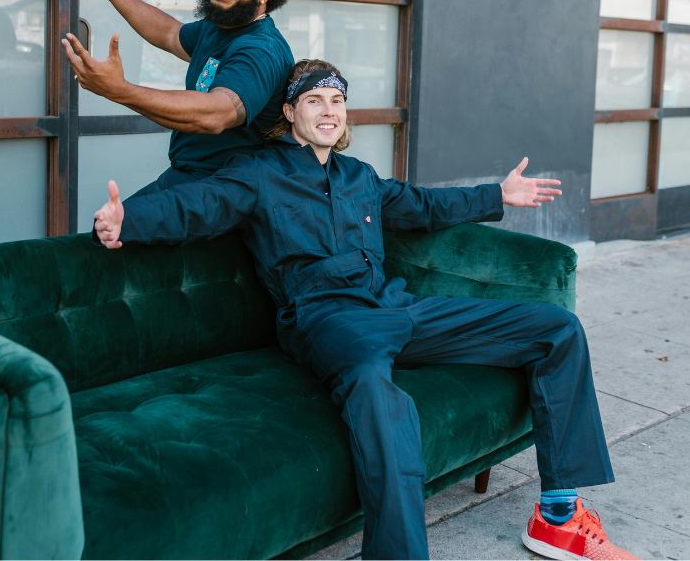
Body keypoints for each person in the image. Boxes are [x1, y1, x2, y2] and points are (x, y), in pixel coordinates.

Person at [90, 59, 638, 561]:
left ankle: (558, 516)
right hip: (328, 319)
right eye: (314, 101)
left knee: (557, 329)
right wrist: (128, 220)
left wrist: (498, 194)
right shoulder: (259, 172)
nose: (328, 111)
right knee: (382, 401)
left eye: (336, 101)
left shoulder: (360, 179)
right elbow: (198, 205)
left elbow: (425, 205)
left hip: (396, 306)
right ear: (289, 112)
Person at [56, 0, 297, 196]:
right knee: (111, 229)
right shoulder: (220, 28)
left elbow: (217, 114)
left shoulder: (260, 49)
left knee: (116, 231)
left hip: (227, 189)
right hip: (190, 177)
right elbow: (170, 34)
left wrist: (119, 90)